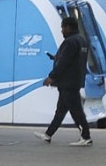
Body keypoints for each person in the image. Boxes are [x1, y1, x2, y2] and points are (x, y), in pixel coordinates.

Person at [35, 17, 93, 146]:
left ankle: (86, 136)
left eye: (63, 27)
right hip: (75, 80)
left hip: (68, 82)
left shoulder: (70, 41)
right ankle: (48, 134)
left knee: (76, 111)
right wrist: (55, 58)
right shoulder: (81, 40)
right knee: (60, 111)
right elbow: (73, 59)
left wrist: (51, 77)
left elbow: (64, 62)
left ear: (68, 27)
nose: (62, 31)